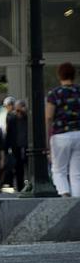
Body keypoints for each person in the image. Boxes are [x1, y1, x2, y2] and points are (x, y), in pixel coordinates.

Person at [46, 61, 80, 196]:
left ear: (59, 76)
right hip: (79, 133)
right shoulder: (79, 91)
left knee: (58, 170)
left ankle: (65, 196)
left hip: (61, 135)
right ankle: (77, 204)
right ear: (74, 75)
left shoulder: (54, 94)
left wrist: (47, 139)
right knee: (77, 173)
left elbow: (49, 117)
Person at [4, 99, 29, 191]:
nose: (18, 113)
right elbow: (8, 134)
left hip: (27, 146)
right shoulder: (12, 119)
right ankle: (20, 187)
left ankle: (29, 183)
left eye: (20, 110)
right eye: (16, 110)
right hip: (16, 147)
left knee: (29, 166)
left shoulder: (27, 119)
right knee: (18, 168)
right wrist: (6, 148)